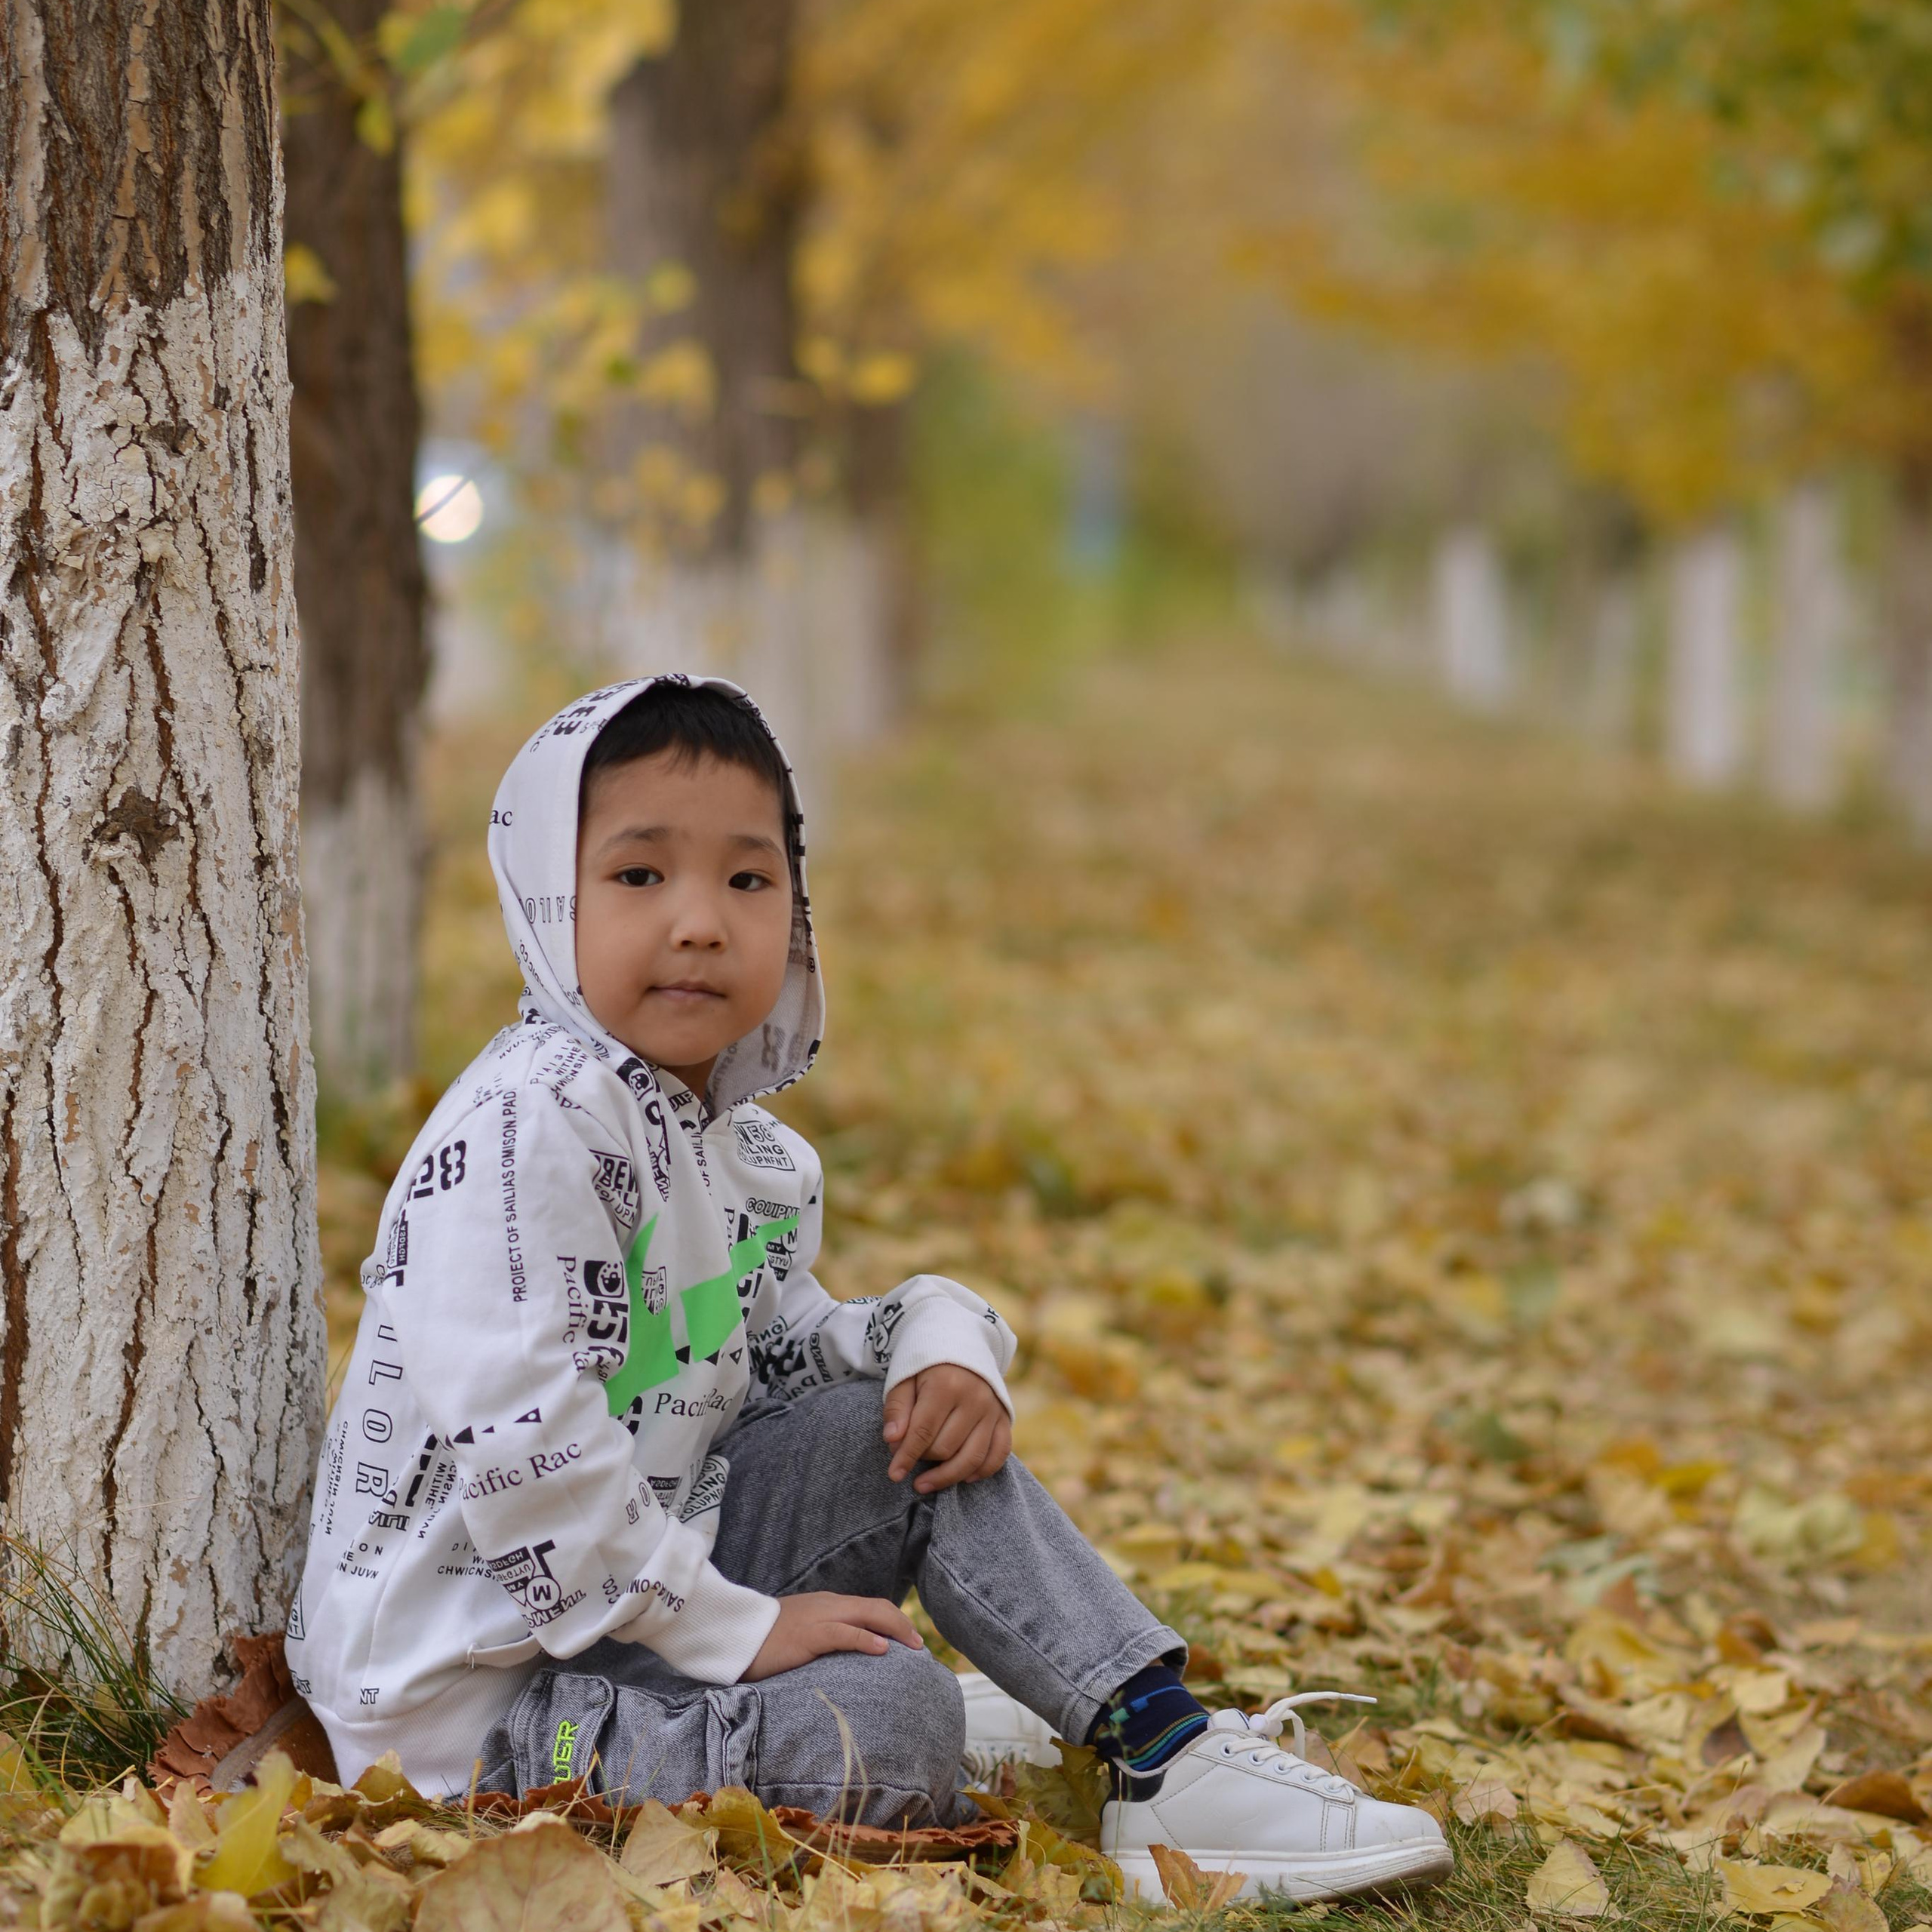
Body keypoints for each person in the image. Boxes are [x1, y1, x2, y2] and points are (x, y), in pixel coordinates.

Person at [286, 676, 1452, 1903]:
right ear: (545, 897)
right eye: (639, 877)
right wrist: (742, 1635)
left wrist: (938, 1339)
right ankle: (949, 1716)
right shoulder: (529, 1128)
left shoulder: (743, 1154)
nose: (699, 923)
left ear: (795, 912)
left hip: (638, 1609)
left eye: (747, 881)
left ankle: (1162, 1746)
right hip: (479, 1712)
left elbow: (788, 1360)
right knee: (896, 1724)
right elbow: (532, 1457)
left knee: (913, 1435)